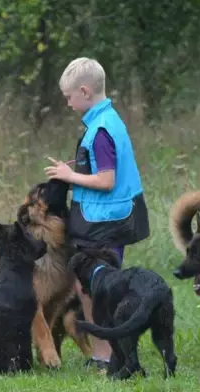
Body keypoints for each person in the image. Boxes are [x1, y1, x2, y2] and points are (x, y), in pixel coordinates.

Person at [44, 57, 150, 372]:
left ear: (85, 92)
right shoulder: (106, 121)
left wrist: (69, 176)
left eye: (69, 97)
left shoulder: (102, 129)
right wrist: (75, 168)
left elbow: (107, 181)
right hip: (104, 219)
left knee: (100, 288)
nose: (67, 103)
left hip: (106, 222)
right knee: (92, 287)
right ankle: (105, 354)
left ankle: (107, 356)